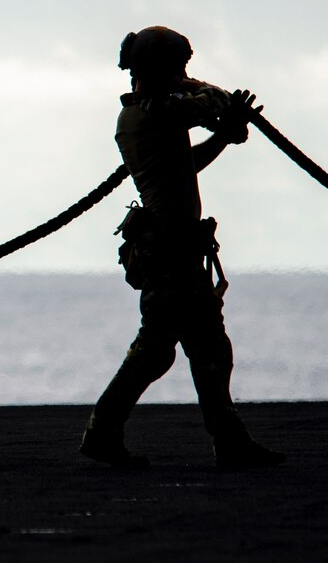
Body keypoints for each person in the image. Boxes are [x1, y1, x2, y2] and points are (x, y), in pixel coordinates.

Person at [81, 26, 285, 469]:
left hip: (179, 250)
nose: (184, 75)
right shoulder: (149, 114)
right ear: (157, 71)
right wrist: (218, 103)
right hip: (167, 251)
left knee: (209, 346)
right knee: (157, 349)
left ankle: (228, 439)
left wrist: (225, 135)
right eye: (178, 68)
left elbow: (185, 165)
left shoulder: (156, 111)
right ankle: (102, 431)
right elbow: (202, 107)